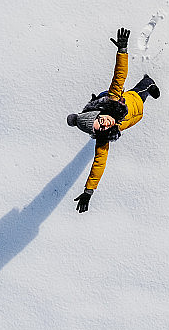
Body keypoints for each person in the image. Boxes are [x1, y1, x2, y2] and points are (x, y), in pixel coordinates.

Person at [66, 28, 160, 212]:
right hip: (135, 117)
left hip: (133, 100)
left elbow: (119, 76)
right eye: (100, 129)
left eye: (101, 122)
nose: (105, 126)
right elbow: (99, 163)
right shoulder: (104, 136)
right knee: (139, 111)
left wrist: (122, 50)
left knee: (144, 89)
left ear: (99, 114)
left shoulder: (114, 98)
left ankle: (149, 82)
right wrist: (88, 191)